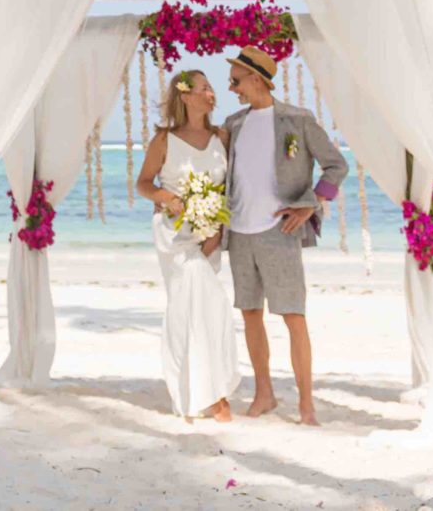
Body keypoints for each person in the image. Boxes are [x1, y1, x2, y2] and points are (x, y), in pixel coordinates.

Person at [220, 45, 347, 425]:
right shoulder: (234, 124)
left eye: (236, 80)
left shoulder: (298, 120)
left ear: (255, 79)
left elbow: (336, 166)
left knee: (293, 315)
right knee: (250, 314)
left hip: (280, 230)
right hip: (239, 232)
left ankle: (307, 404)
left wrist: (311, 204)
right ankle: (265, 394)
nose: (232, 88)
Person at [134, 67, 239, 421]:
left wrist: (217, 229)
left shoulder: (221, 137)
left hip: (210, 234)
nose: (212, 94)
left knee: (210, 308)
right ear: (185, 95)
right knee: (197, 305)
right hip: (174, 236)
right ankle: (211, 397)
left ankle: (209, 388)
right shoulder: (164, 139)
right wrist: (167, 198)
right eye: (205, 88)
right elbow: (144, 184)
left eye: (212, 89)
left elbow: (227, 189)